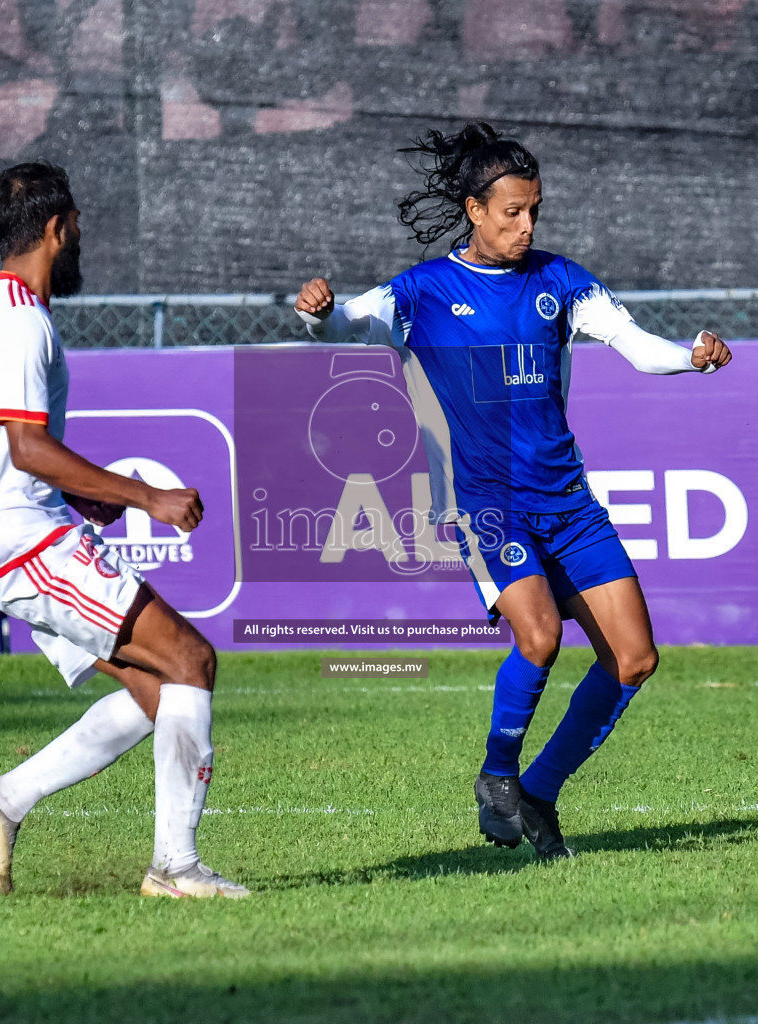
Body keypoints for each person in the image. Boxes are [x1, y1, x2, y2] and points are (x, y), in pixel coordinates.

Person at [295, 123, 731, 860]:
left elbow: (636, 346)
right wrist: (314, 313)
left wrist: (691, 357)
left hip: (568, 503)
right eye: (511, 213)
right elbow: (342, 322)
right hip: (484, 503)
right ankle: (497, 774)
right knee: (540, 635)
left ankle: (538, 788)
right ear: (473, 210)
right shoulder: (423, 292)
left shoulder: (561, 282)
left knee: (634, 659)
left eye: (534, 211)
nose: (526, 226)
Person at [0, 161, 246, 898]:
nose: (81, 234)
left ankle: (4, 800)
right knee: (191, 660)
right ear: (56, 229)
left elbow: (0, 449)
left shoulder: (5, 309)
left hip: (21, 532)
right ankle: (175, 869)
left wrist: (86, 499)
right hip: (25, 543)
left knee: (161, 692)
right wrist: (147, 496)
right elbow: (27, 447)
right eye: (77, 222)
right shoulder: (19, 321)